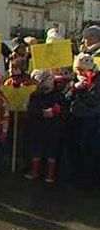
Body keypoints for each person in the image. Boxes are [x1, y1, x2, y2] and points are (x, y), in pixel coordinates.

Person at [65, 53, 100, 186]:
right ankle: (74, 174)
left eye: (82, 69)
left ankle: (88, 179)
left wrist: (84, 90)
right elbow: (66, 96)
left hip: (91, 119)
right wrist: (74, 88)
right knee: (73, 148)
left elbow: (95, 101)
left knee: (89, 149)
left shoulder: (97, 80)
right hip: (74, 117)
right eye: (78, 69)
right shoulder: (74, 79)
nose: (79, 72)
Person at [25, 70, 65, 183]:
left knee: (51, 151)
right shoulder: (35, 95)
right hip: (38, 126)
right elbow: (31, 109)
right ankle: (34, 171)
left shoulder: (58, 95)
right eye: (47, 79)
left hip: (53, 127)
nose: (51, 81)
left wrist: (57, 110)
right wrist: (42, 112)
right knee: (36, 149)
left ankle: (50, 174)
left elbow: (63, 109)